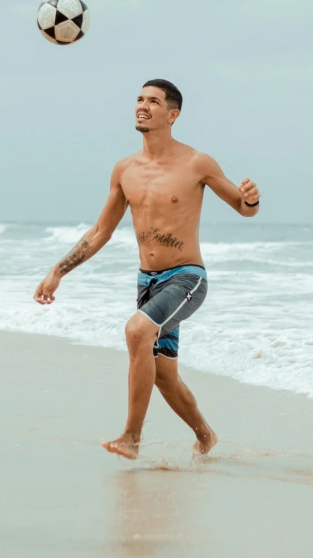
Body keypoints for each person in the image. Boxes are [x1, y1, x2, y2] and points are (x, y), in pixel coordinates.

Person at [33, 80, 260, 460]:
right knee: (165, 377)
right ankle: (206, 436)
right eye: (139, 99)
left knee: (137, 330)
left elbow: (243, 206)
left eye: (153, 101)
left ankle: (131, 438)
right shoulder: (125, 170)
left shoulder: (196, 163)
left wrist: (252, 198)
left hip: (186, 278)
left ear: (172, 114)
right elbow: (101, 231)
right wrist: (58, 271)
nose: (143, 105)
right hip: (147, 282)